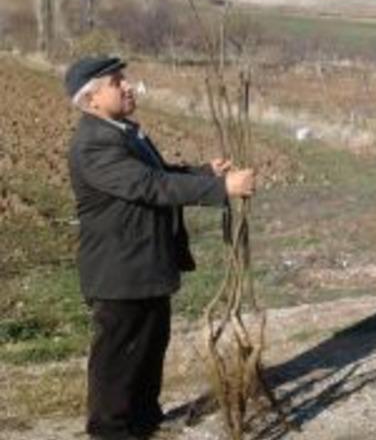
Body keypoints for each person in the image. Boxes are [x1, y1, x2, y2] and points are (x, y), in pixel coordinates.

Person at [66, 56, 255, 439]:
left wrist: (204, 173)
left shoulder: (123, 131)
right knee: (119, 356)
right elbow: (149, 187)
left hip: (145, 263)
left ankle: (143, 419)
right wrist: (222, 189)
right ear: (92, 99)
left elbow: (158, 174)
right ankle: (110, 430)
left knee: (150, 346)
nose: (128, 86)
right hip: (120, 269)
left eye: (124, 79)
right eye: (117, 82)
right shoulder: (93, 144)